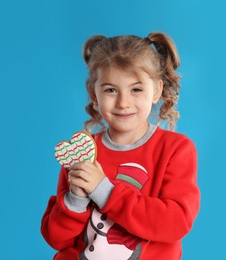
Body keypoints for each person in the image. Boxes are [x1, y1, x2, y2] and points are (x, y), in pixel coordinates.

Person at [41, 32, 200, 260]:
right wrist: (75, 199)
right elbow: (56, 239)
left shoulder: (175, 149)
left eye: (136, 89)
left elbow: (175, 222)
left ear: (156, 90)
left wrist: (103, 191)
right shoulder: (82, 151)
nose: (123, 103)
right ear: (93, 94)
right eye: (110, 90)